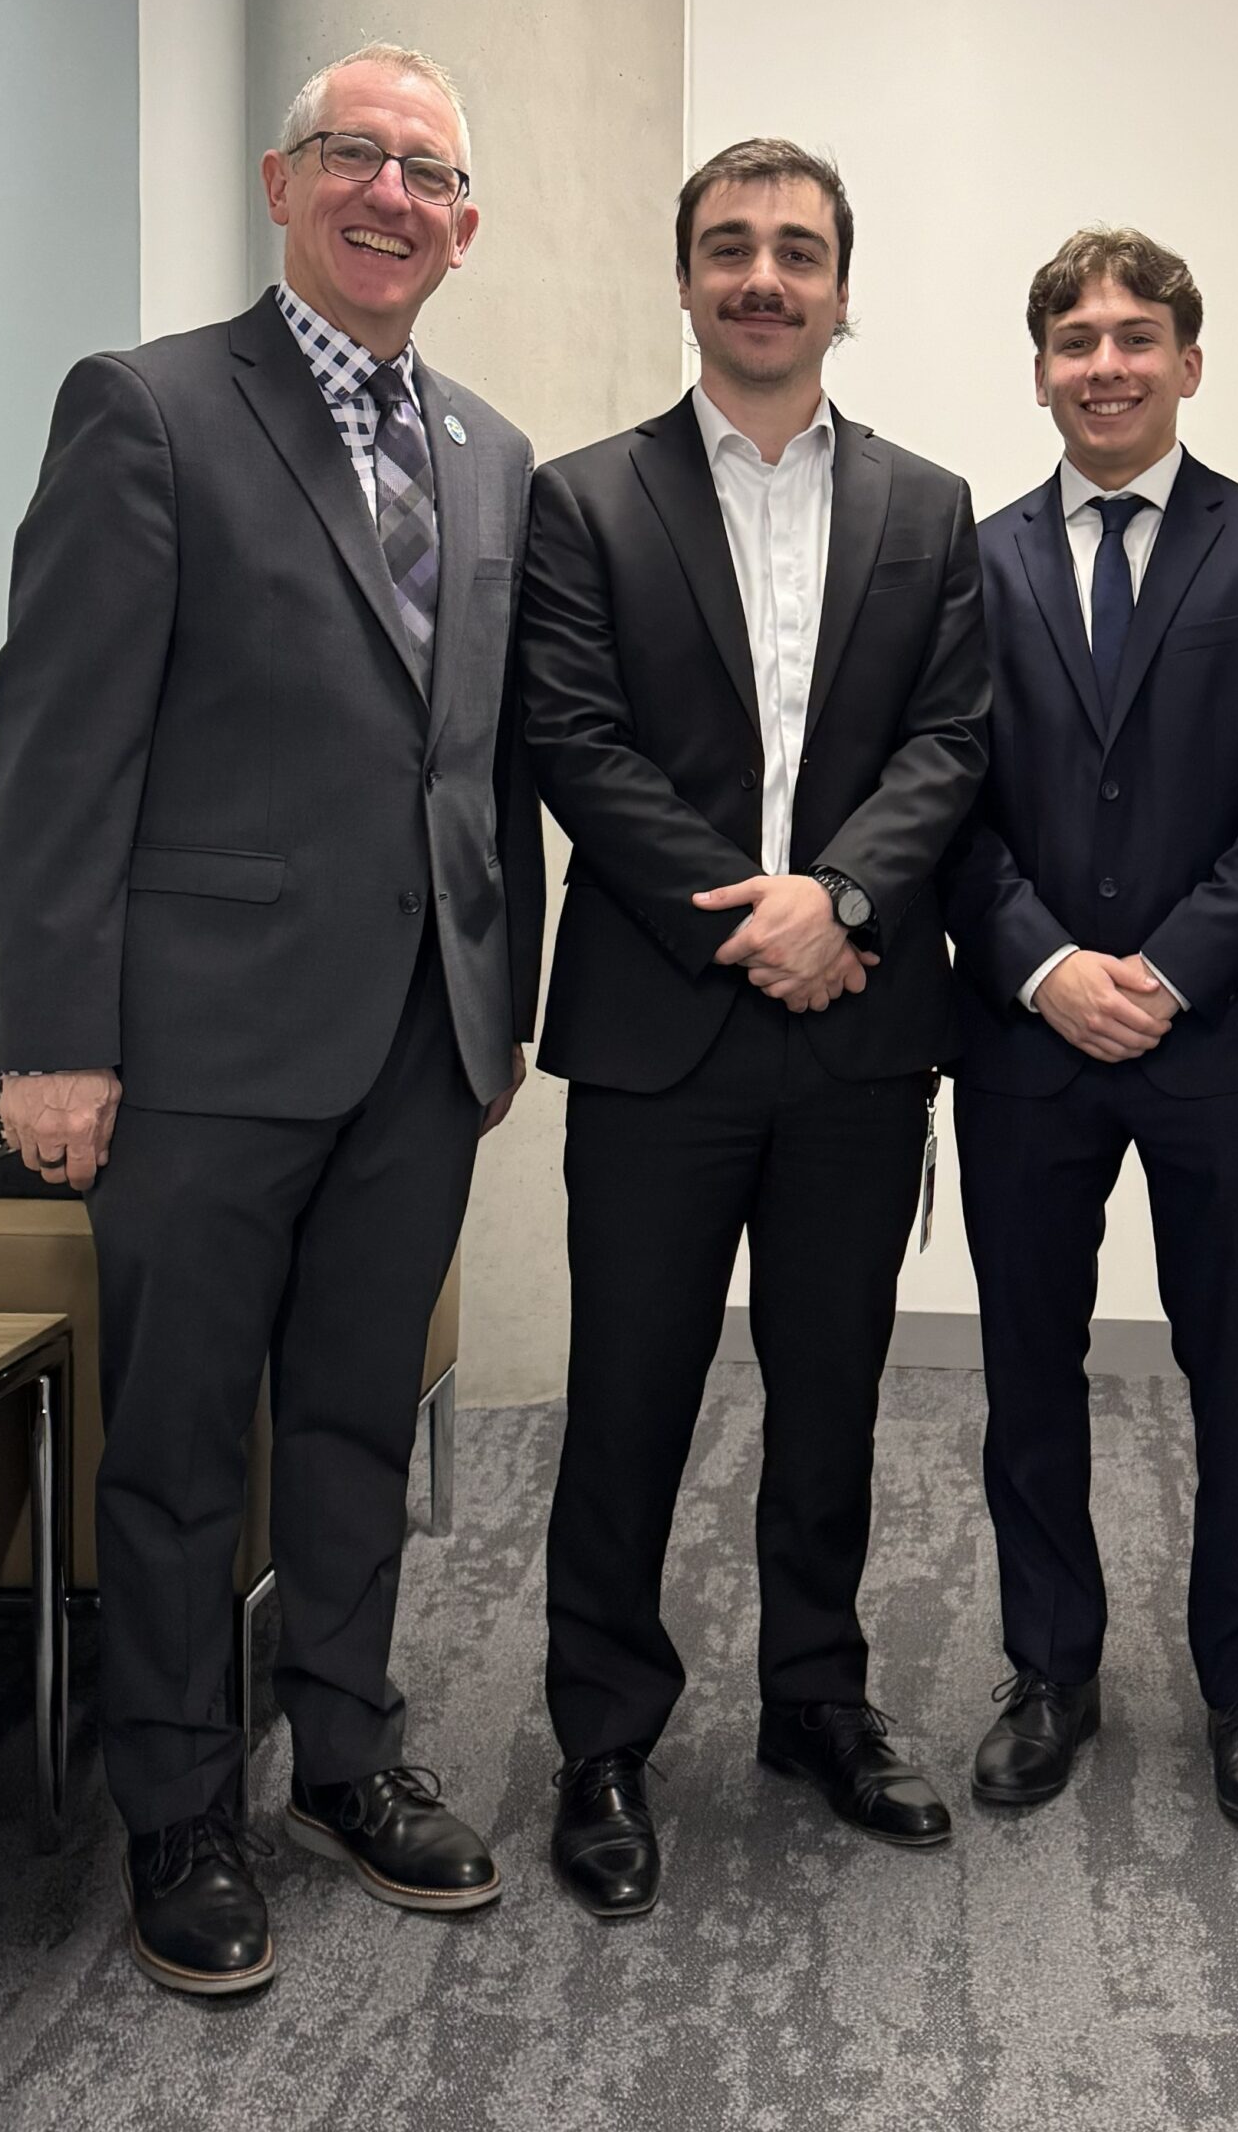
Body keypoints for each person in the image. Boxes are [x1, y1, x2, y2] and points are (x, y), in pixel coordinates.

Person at [0, 43, 546, 1995]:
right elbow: (65, 748)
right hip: (199, 1046)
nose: (392, 192)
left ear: (464, 228)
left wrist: (497, 1005)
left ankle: (346, 1753)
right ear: (280, 180)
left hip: (419, 1042)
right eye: (354, 155)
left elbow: (481, 766)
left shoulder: (491, 451)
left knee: (353, 1420)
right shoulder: (147, 408)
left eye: (428, 173)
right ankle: (176, 1806)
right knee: (174, 1446)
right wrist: (53, 1036)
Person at [520, 138, 989, 1919]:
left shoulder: (929, 506)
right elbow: (573, 741)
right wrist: (761, 918)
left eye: (797, 249)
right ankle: (602, 1738)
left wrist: (841, 901)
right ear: (687, 281)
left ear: (842, 288)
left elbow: (952, 739)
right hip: (661, 1026)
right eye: (729, 247)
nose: (763, 276)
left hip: (857, 1029)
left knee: (830, 1391)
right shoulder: (585, 501)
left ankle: (817, 1699)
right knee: (627, 1396)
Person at [944, 228, 1238, 1834]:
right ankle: (1048, 1670)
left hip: (1223, 1040)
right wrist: (1046, 964)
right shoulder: (968, 561)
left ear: (1188, 362)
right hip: (1024, 1039)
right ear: (1038, 370)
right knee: (1026, 1371)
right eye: (1074, 340)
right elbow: (940, 796)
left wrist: (1168, 971)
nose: (1103, 365)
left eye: (1134, 338)